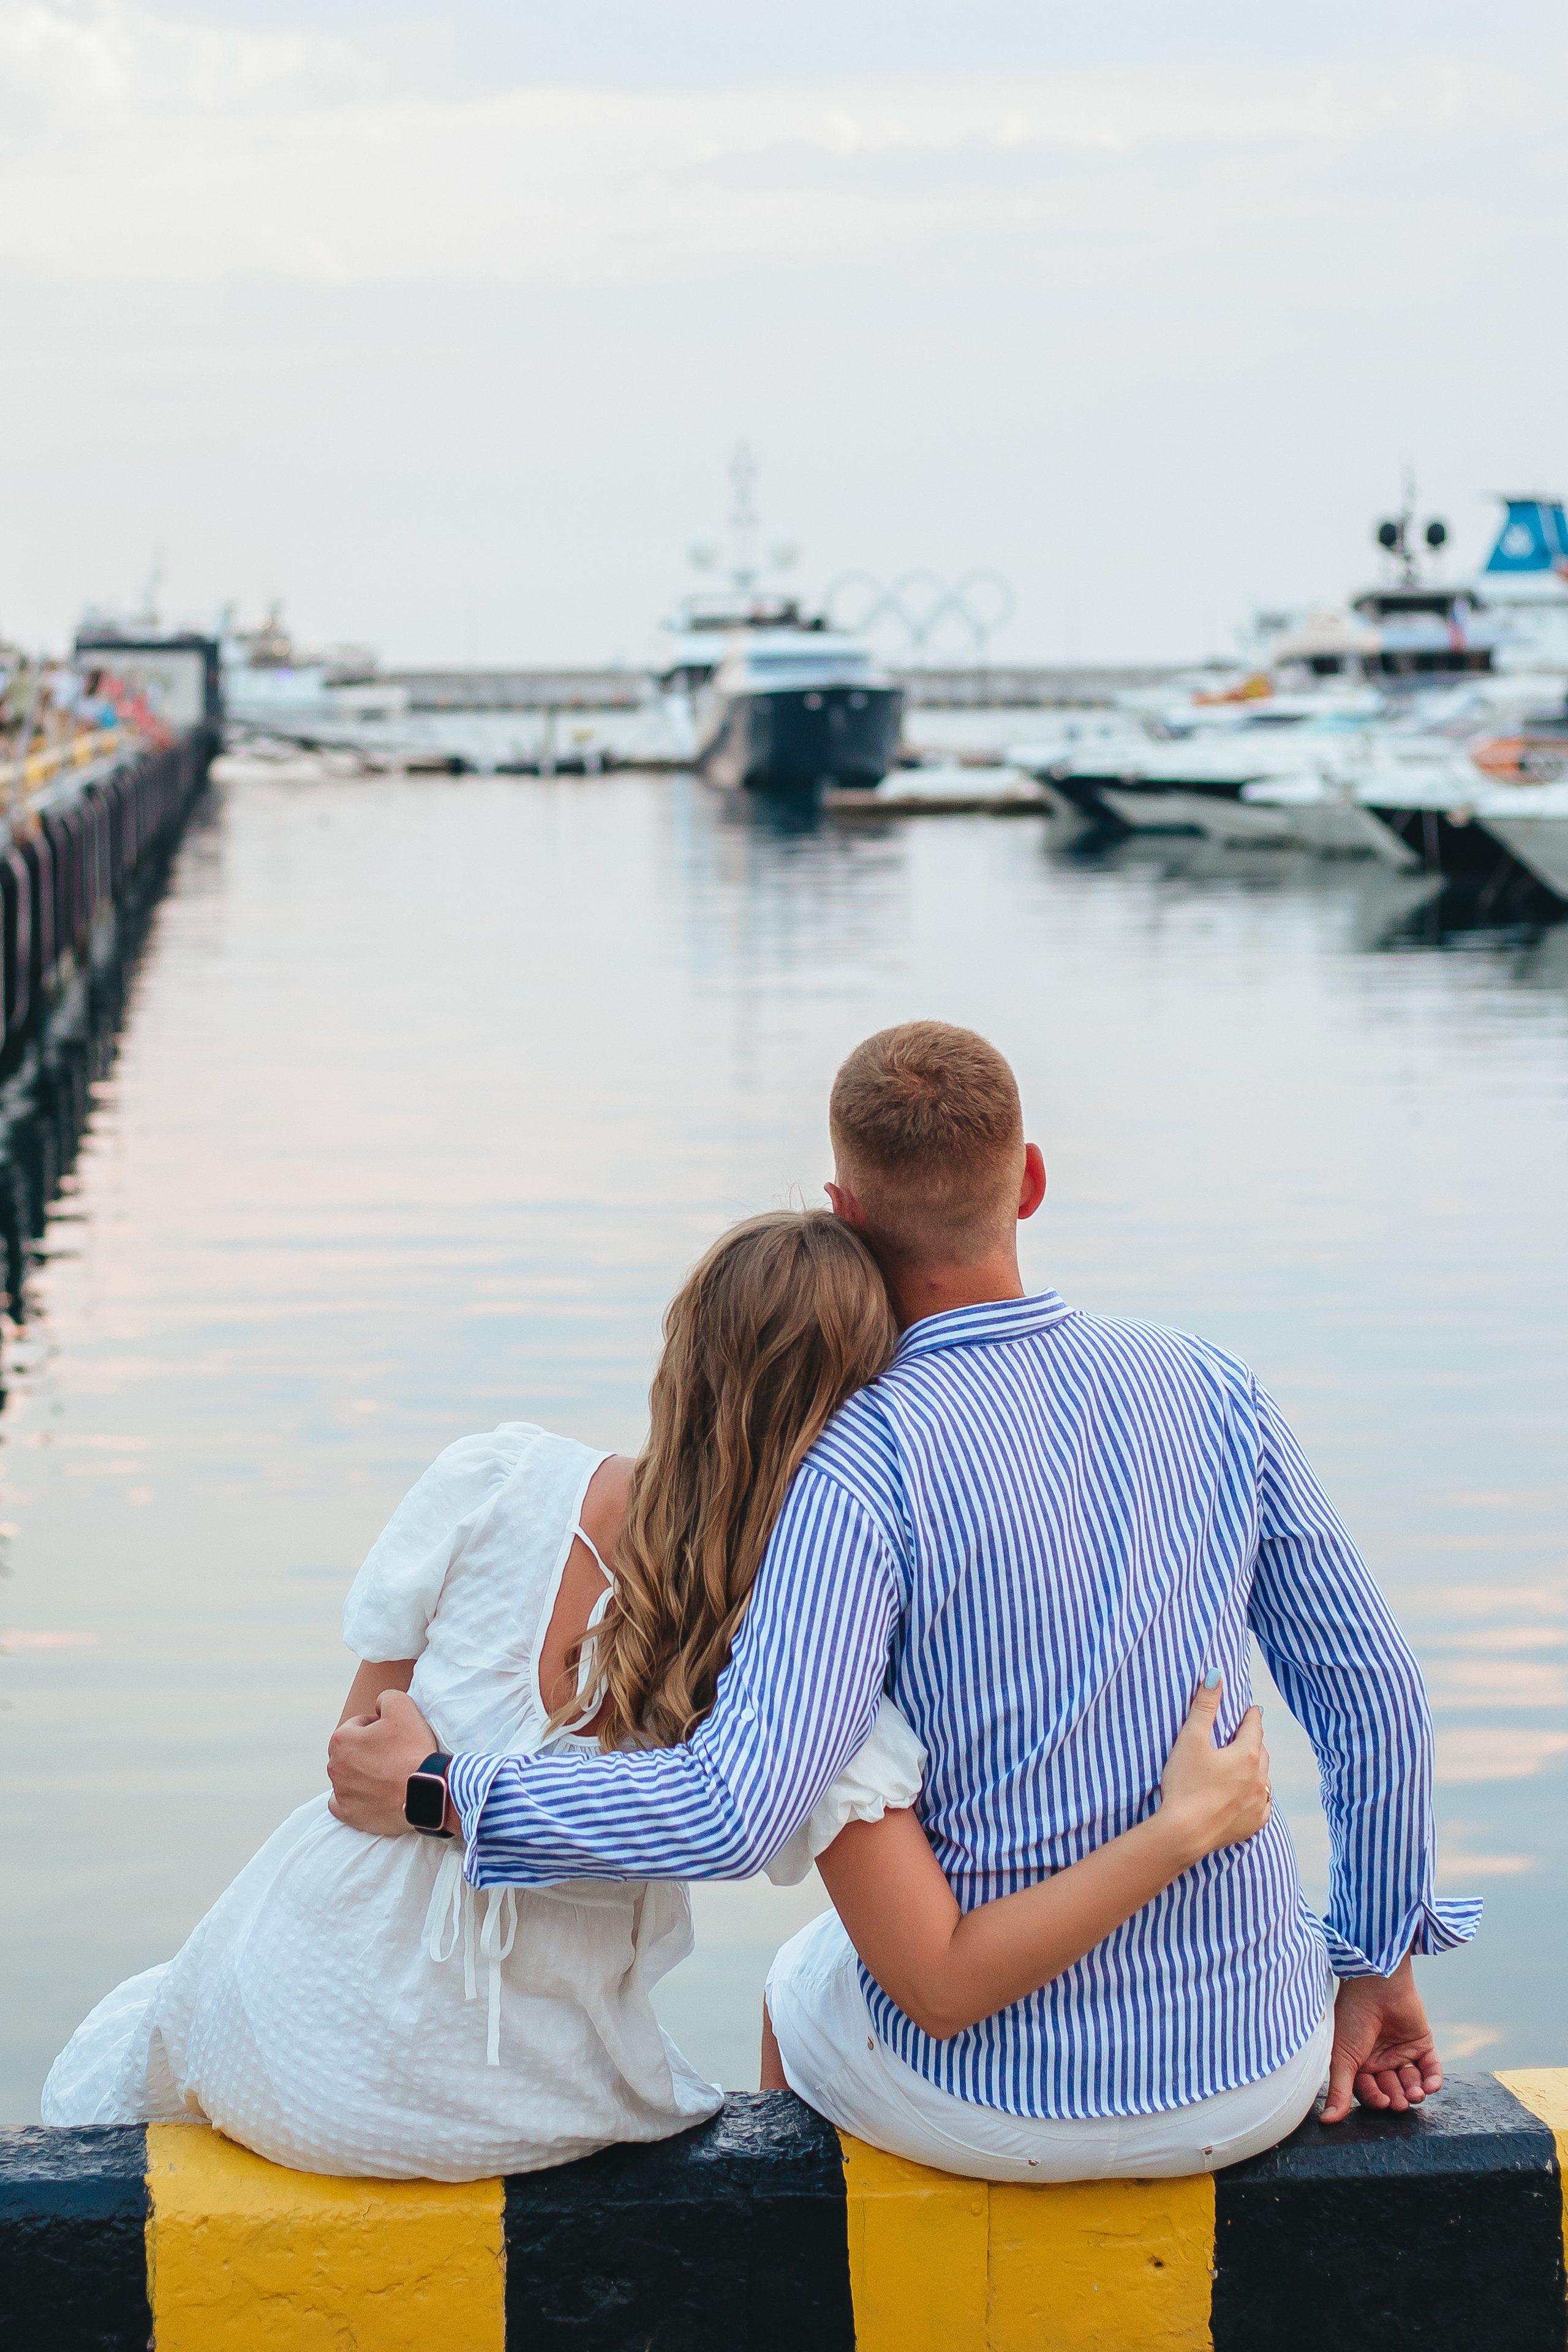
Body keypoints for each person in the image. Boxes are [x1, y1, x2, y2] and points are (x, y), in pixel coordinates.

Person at [331, 1020, 1480, 2180]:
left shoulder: (853, 1466)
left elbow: (734, 1809)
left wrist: (446, 1792)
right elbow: (1376, 1693)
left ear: (847, 1213)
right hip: (1259, 2069)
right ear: (1030, 1181)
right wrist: (1377, 1964)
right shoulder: (1213, 1390)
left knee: (800, 1983)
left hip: (996, 2106)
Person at [42, 1207, 1270, 2179]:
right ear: (861, 1410)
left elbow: (357, 1752)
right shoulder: (801, 1664)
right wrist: (1174, 1827)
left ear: (680, 1348)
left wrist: (437, 1789)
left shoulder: (495, 1479)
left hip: (273, 2013)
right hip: (496, 2096)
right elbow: (935, 1974)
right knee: (802, 1977)